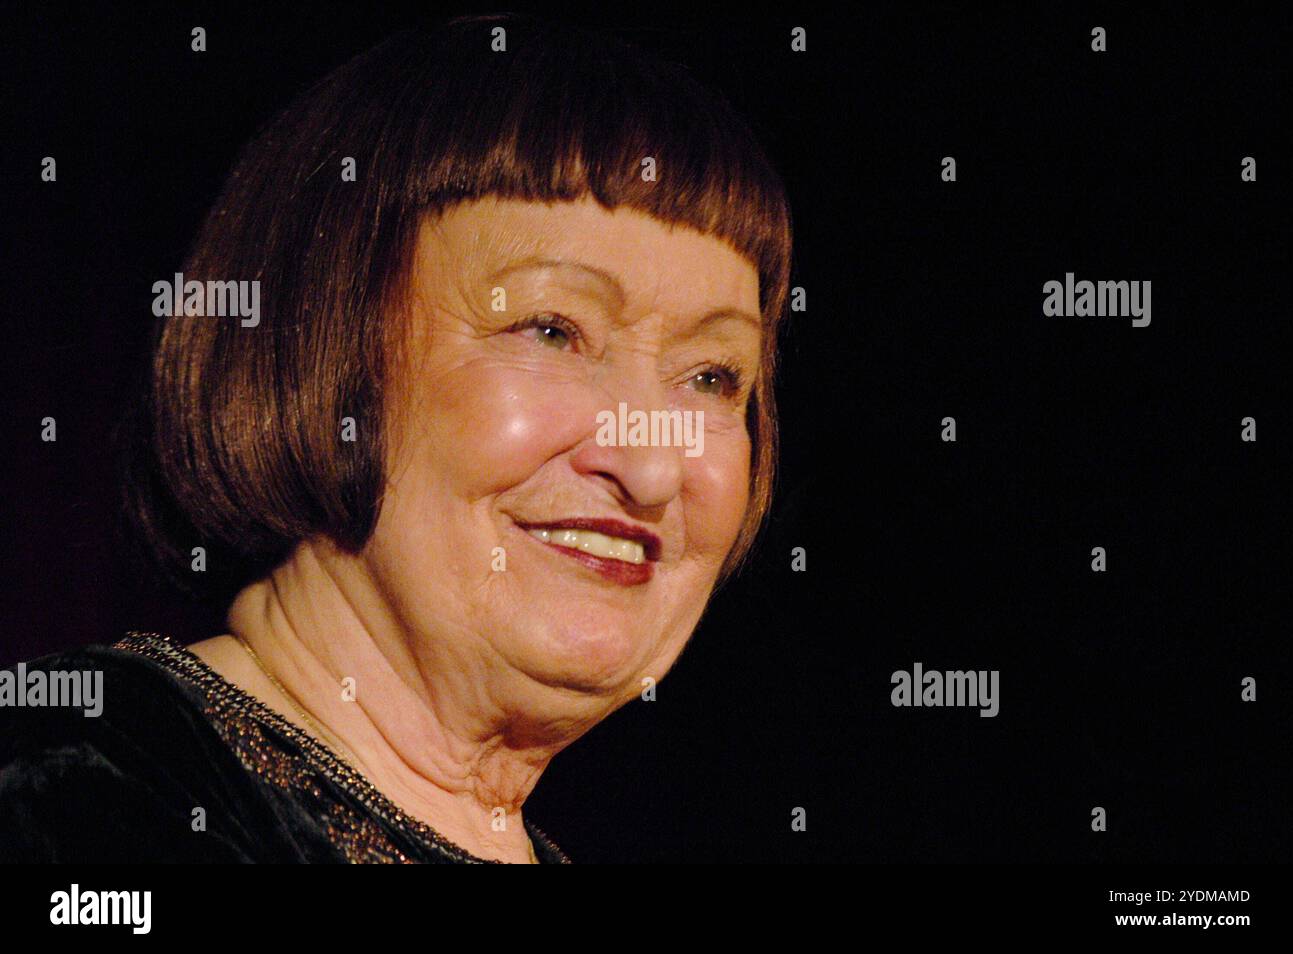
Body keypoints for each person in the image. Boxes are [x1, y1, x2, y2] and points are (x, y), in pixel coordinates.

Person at [0, 13, 792, 863]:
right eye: (551, 331)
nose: (651, 464)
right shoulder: (83, 794)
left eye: (712, 377)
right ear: (320, 350)